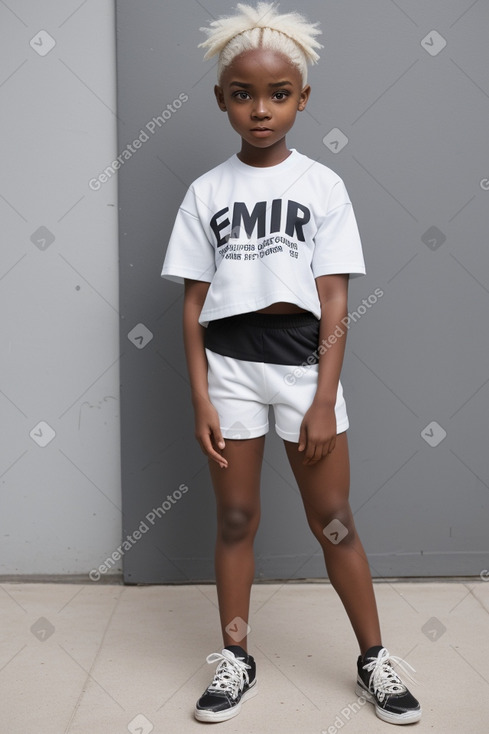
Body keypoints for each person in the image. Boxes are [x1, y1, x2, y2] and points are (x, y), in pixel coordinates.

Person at [161, 2, 421, 726]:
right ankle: (236, 657)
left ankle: (374, 660)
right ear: (222, 100)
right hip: (230, 367)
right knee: (236, 516)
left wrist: (320, 398)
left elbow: (334, 300)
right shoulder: (206, 192)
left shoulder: (321, 186)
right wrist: (201, 399)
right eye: (242, 94)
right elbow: (190, 306)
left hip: (305, 365)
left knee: (332, 517)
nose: (260, 109)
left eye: (278, 95)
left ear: (302, 99)